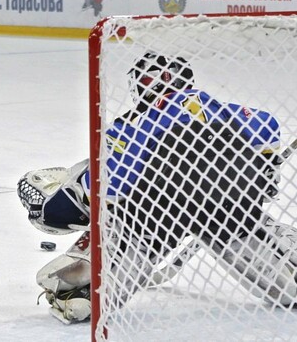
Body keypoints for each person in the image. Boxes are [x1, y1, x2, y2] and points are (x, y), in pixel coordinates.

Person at [17, 52, 297, 322]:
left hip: (159, 215)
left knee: (82, 285)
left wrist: (65, 208)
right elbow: (266, 124)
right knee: (278, 278)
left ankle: (85, 291)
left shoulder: (130, 125)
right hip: (225, 208)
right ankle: (287, 263)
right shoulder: (215, 108)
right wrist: (266, 169)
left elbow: (110, 184)